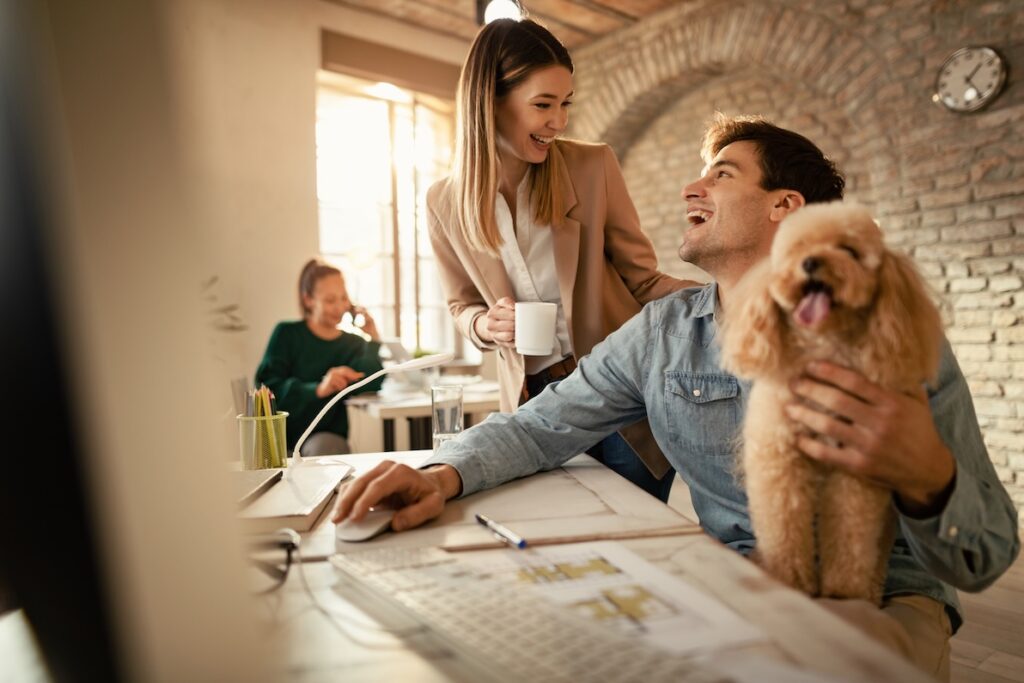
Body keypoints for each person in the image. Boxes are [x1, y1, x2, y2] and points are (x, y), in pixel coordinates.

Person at [334, 114, 1020, 680]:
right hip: (734, 584)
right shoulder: (662, 332)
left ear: (786, 206)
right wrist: (442, 471)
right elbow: (543, 423)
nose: (693, 185)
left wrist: (929, 472)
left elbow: (985, 552)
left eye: (723, 173)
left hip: (883, 592)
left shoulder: (888, 331)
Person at [427, 18, 695, 501]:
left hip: (623, 400)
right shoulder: (443, 202)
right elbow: (459, 306)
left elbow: (643, 281)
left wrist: (728, 295)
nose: (559, 121)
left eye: (565, 103)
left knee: (630, 547)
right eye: (543, 104)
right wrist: (486, 327)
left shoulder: (592, 167)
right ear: (491, 102)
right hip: (535, 409)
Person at [255, 259, 384, 456]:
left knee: (324, 449)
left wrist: (373, 340)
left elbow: (371, 384)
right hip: (282, 438)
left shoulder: (353, 343)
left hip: (325, 439)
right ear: (308, 300)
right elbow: (267, 390)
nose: (340, 307)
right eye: (330, 300)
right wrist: (318, 389)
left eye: (344, 298)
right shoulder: (286, 334)